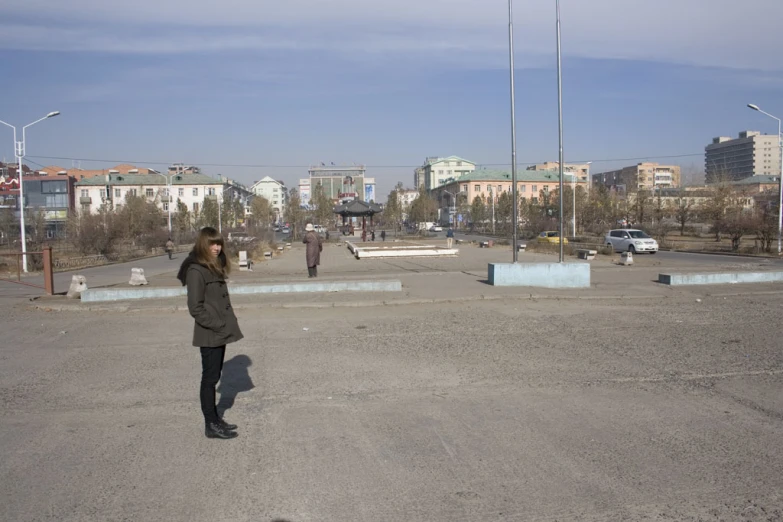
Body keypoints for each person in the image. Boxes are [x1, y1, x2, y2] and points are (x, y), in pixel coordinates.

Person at [177, 227, 244, 440]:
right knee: (209, 379)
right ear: (203, 244)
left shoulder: (212, 266)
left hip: (218, 332)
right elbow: (195, 307)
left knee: (213, 377)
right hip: (210, 333)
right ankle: (210, 425)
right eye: (212, 244)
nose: (217, 248)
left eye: (219, 244)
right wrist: (217, 324)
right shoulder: (196, 270)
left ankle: (215, 419)